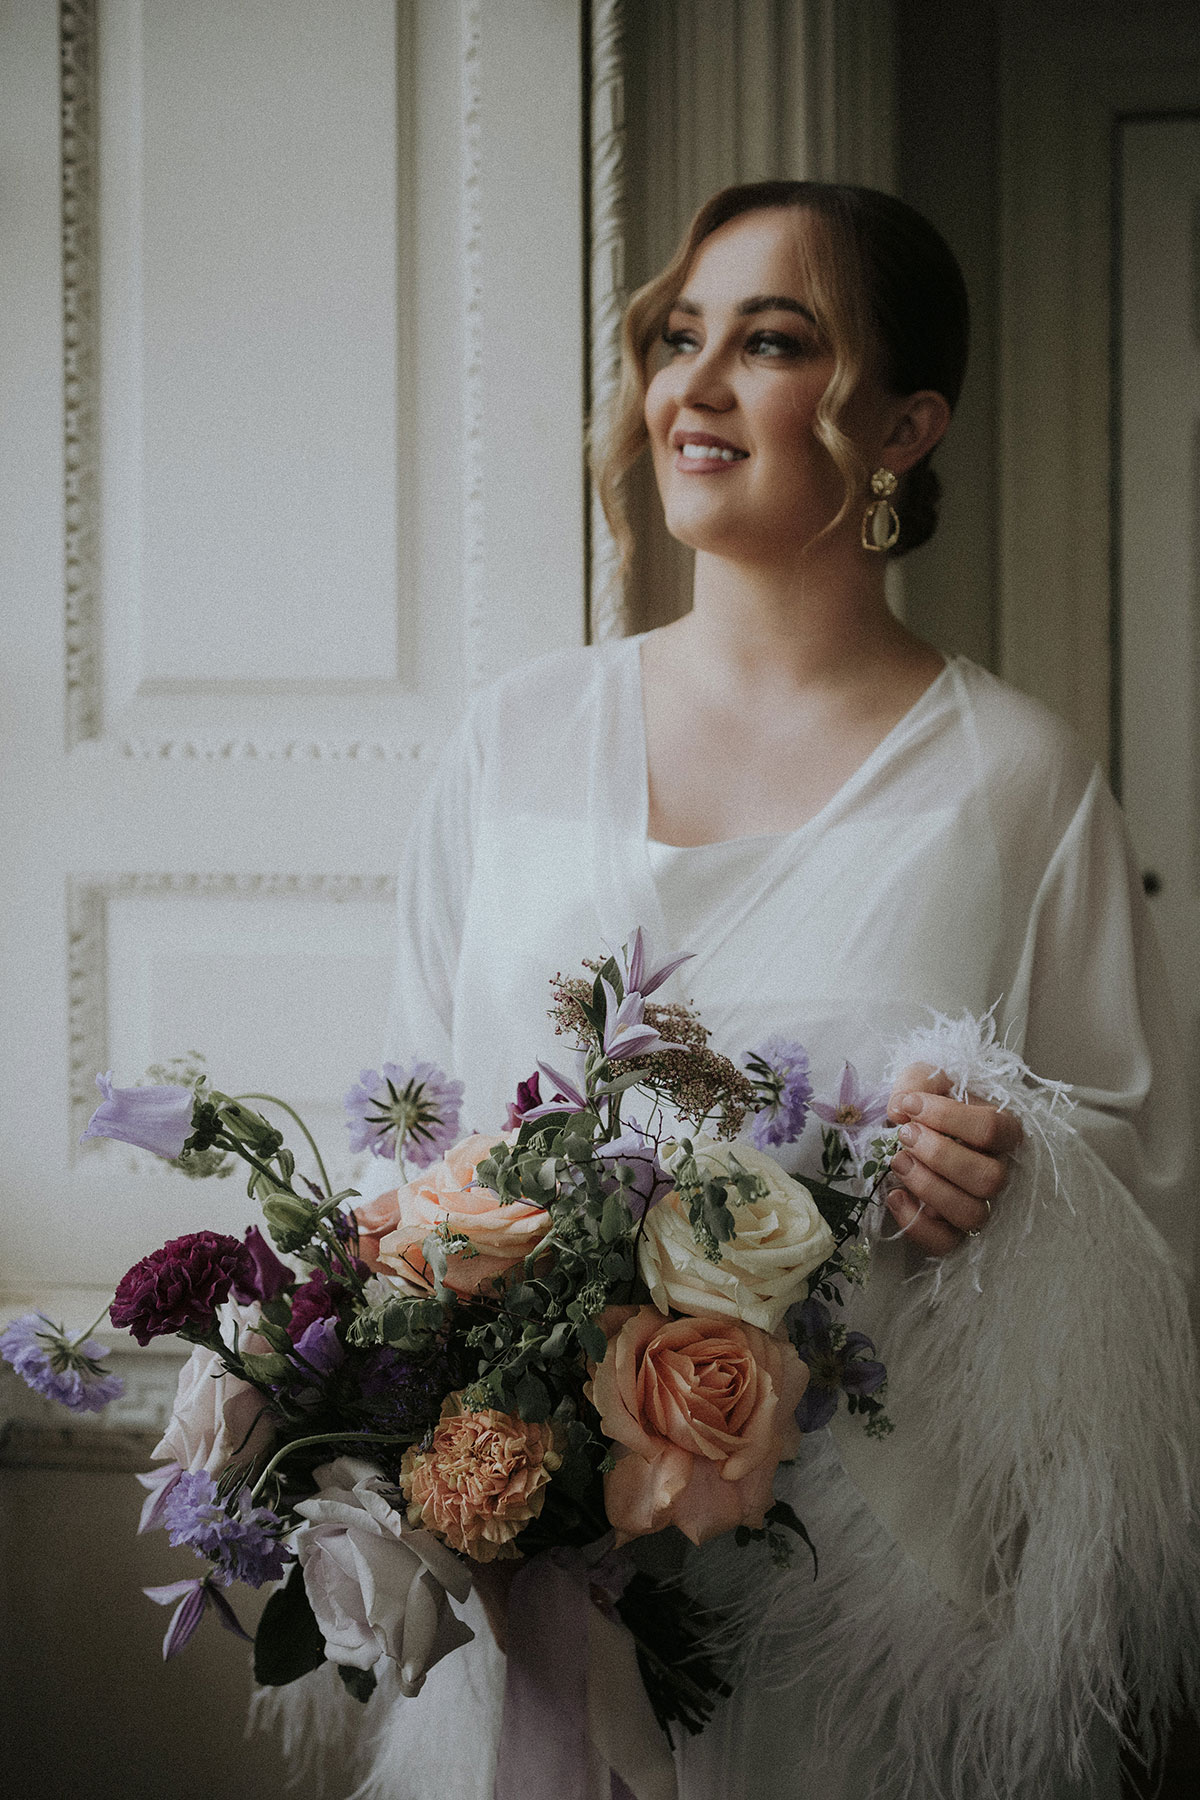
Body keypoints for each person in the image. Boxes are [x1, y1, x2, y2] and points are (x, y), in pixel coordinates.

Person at [301, 182, 1200, 1800]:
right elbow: (412, 1129)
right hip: (529, 1598)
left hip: (853, 1630)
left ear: (906, 425)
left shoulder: (1015, 783)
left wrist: (1012, 1181)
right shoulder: (509, 745)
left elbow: (1148, 1197)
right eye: (677, 336)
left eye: (772, 341)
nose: (692, 386)